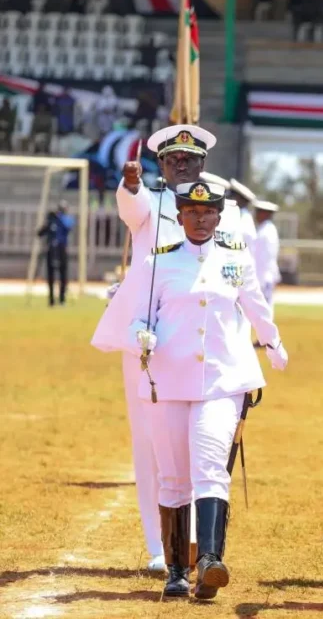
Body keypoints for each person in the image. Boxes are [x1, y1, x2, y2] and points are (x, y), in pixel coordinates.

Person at [127, 181, 288, 599]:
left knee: (212, 468)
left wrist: (273, 344)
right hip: (168, 381)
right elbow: (137, 317)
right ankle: (177, 571)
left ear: (219, 217)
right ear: (179, 216)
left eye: (208, 212)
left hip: (222, 381)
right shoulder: (157, 263)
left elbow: (256, 307)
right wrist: (141, 334)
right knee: (174, 478)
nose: (200, 219)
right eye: (192, 212)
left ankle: (210, 561)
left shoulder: (237, 260)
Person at [91, 124, 217, 575]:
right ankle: (160, 545)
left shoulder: (223, 209)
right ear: (160, 164)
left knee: (204, 441)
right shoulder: (152, 203)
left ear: (203, 163)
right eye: (172, 159)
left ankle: (204, 542)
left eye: (189, 159)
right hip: (149, 339)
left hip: (202, 341)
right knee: (150, 443)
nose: (181, 165)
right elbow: (132, 204)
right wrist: (129, 184)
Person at [38, 201, 74, 307]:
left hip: (62, 248)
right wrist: (48, 221)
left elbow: (68, 225)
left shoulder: (67, 219)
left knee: (63, 274)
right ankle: (51, 300)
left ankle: (62, 299)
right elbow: (40, 233)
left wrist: (58, 217)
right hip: (51, 248)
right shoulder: (52, 220)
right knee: (51, 274)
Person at [253, 199, 281, 305]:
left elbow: (264, 257)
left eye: (258, 211)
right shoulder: (266, 229)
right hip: (265, 276)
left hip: (264, 277)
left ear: (265, 213)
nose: (256, 215)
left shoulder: (266, 232)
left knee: (265, 309)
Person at [228, 178, 258, 255]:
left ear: (239, 199)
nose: (229, 198)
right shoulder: (238, 214)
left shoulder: (243, 217)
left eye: (232, 195)